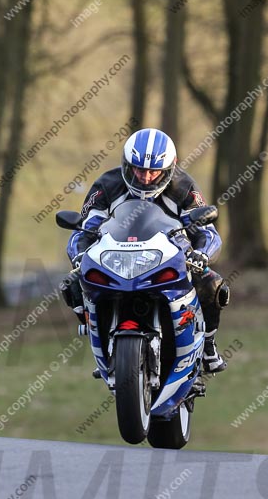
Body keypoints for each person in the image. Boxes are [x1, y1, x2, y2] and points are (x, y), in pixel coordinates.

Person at [61, 127, 230, 373]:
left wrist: (201, 254)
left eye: (153, 171)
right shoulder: (107, 185)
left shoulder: (183, 186)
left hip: (171, 258)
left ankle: (208, 345)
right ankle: (102, 341)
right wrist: (79, 256)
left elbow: (207, 231)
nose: (145, 177)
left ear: (170, 167)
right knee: (73, 283)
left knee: (212, 283)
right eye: (138, 169)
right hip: (116, 257)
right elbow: (84, 229)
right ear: (126, 165)